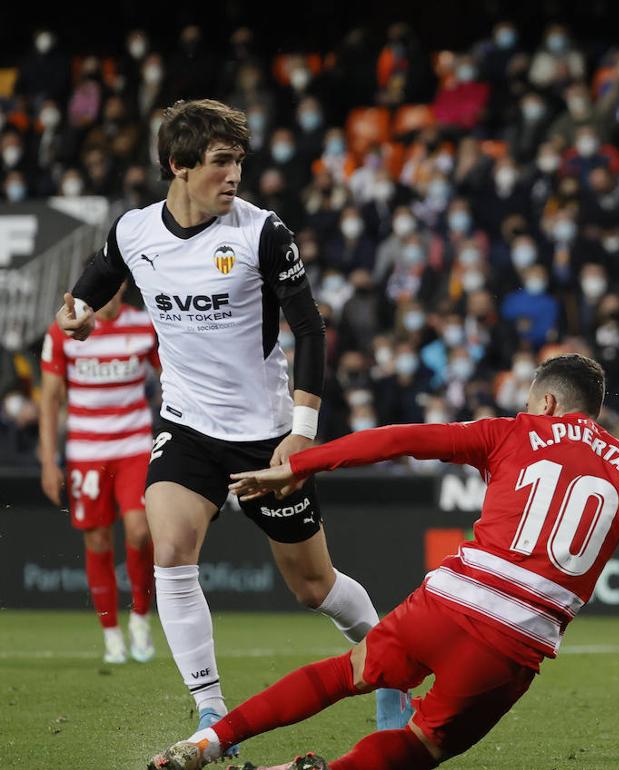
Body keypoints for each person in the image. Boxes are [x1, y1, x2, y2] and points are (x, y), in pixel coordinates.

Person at [148, 354, 619, 770]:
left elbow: (398, 440)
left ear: (550, 401)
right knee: (419, 748)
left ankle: (210, 740)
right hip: (511, 647)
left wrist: (299, 465)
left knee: (343, 673)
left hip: (446, 603)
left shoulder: (511, 433)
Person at [53, 99, 410, 747]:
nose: (234, 175)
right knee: (170, 551)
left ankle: (390, 671)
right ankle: (213, 713)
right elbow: (103, 271)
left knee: (313, 586)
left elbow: (309, 327)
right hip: (187, 427)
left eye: (239, 161)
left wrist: (301, 430)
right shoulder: (135, 230)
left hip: (266, 437)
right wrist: (78, 309)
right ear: (178, 165)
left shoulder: (261, 233)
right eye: (221, 162)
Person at [38, 282, 159, 664]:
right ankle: (110, 634)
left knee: (141, 530)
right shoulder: (64, 329)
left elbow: (175, 374)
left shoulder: (144, 325)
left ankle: (140, 618)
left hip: (134, 446)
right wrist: (47, 459)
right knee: (98, 541)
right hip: (87, 451)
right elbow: (51, 398)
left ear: (122, 286)